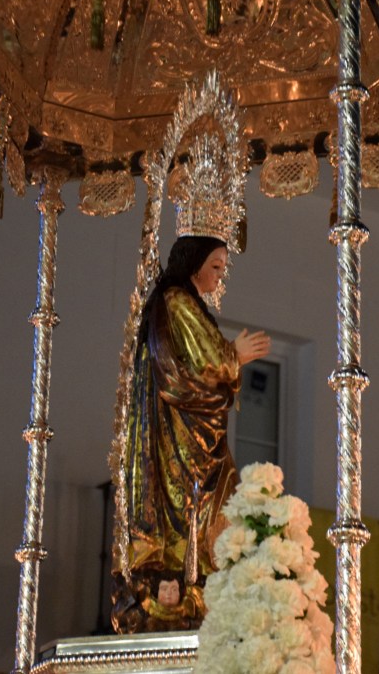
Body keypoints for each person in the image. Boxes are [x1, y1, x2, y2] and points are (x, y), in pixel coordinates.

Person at [113, 235, 270, 632]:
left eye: (223, 268)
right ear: (194, 263)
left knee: (210, 509)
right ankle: (184, 582)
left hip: (192, 428)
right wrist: (234, 355)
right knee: (194, 506)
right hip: (180, 436)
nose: (220, 276)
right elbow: (203, 363)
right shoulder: (177, 300)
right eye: (215, 266)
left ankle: (200, 583)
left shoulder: (183, 303)